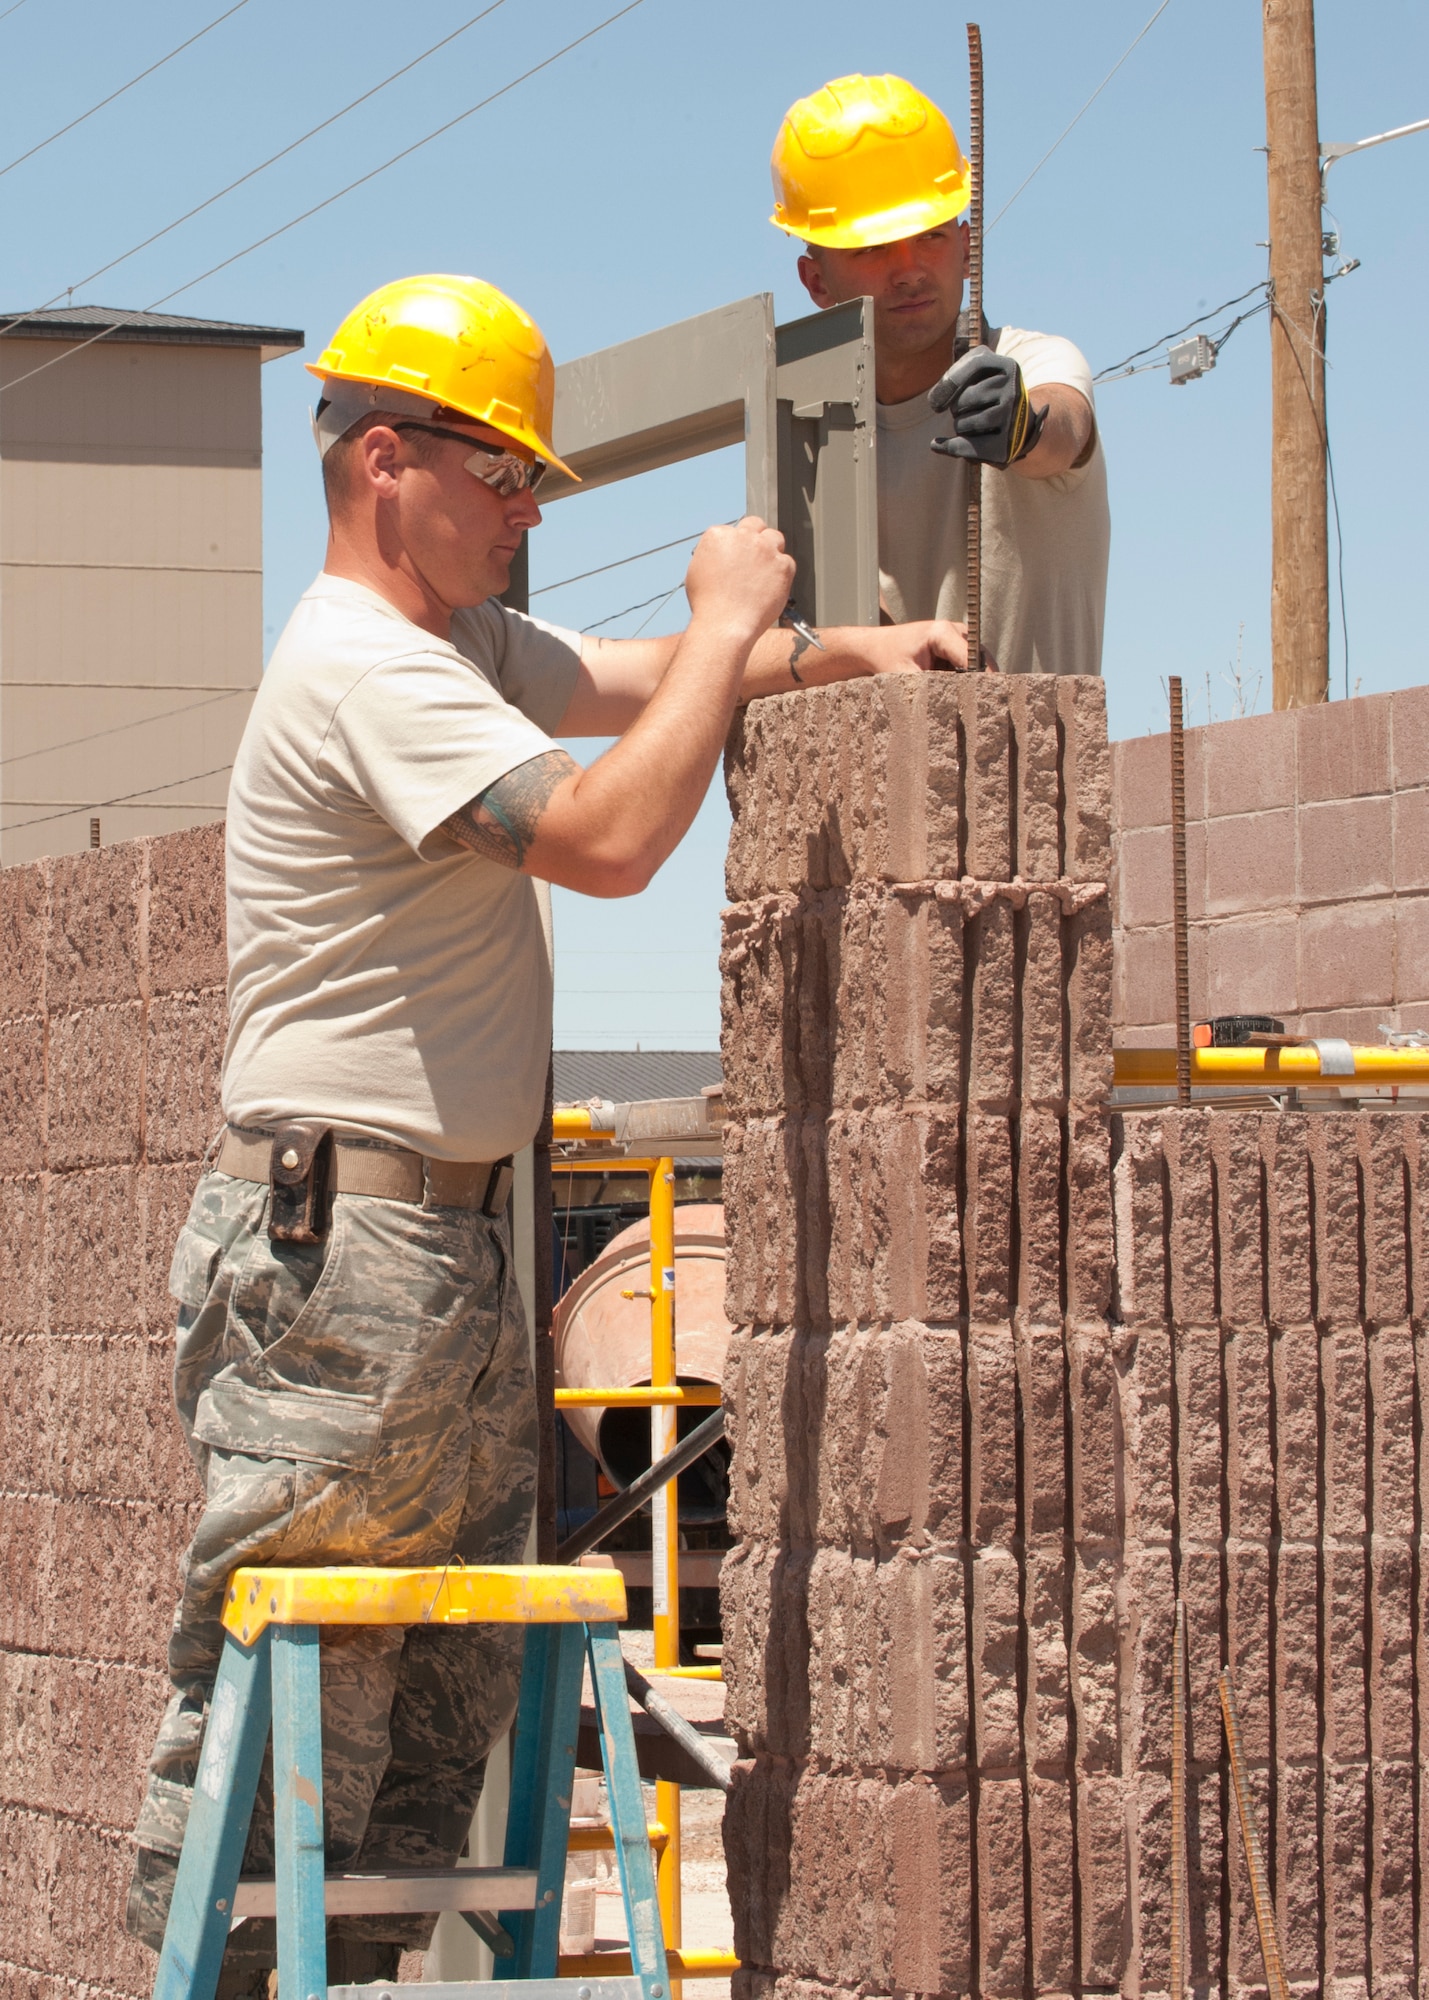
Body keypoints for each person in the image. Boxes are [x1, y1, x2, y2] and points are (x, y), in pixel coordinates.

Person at [125, 271, 981, 1991]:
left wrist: (835, 649)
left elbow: (626, 678)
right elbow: (600, 831)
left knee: (426, 1735)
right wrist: (733, 605)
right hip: (334, 1254)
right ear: (386, 462)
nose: (524, 513)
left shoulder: (452, 643)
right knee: (290, 1712)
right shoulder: (362, 667)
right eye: (500, 477)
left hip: (432, 1244)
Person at [770, 72, 1110, 675]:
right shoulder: (806, 438)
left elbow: (1065, 428)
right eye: (872, 247)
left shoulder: (1034, 362)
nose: (908, 269)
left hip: (1025, 762)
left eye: (929, 236)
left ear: (966, 247)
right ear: (815, 281)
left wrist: (1023, 429)